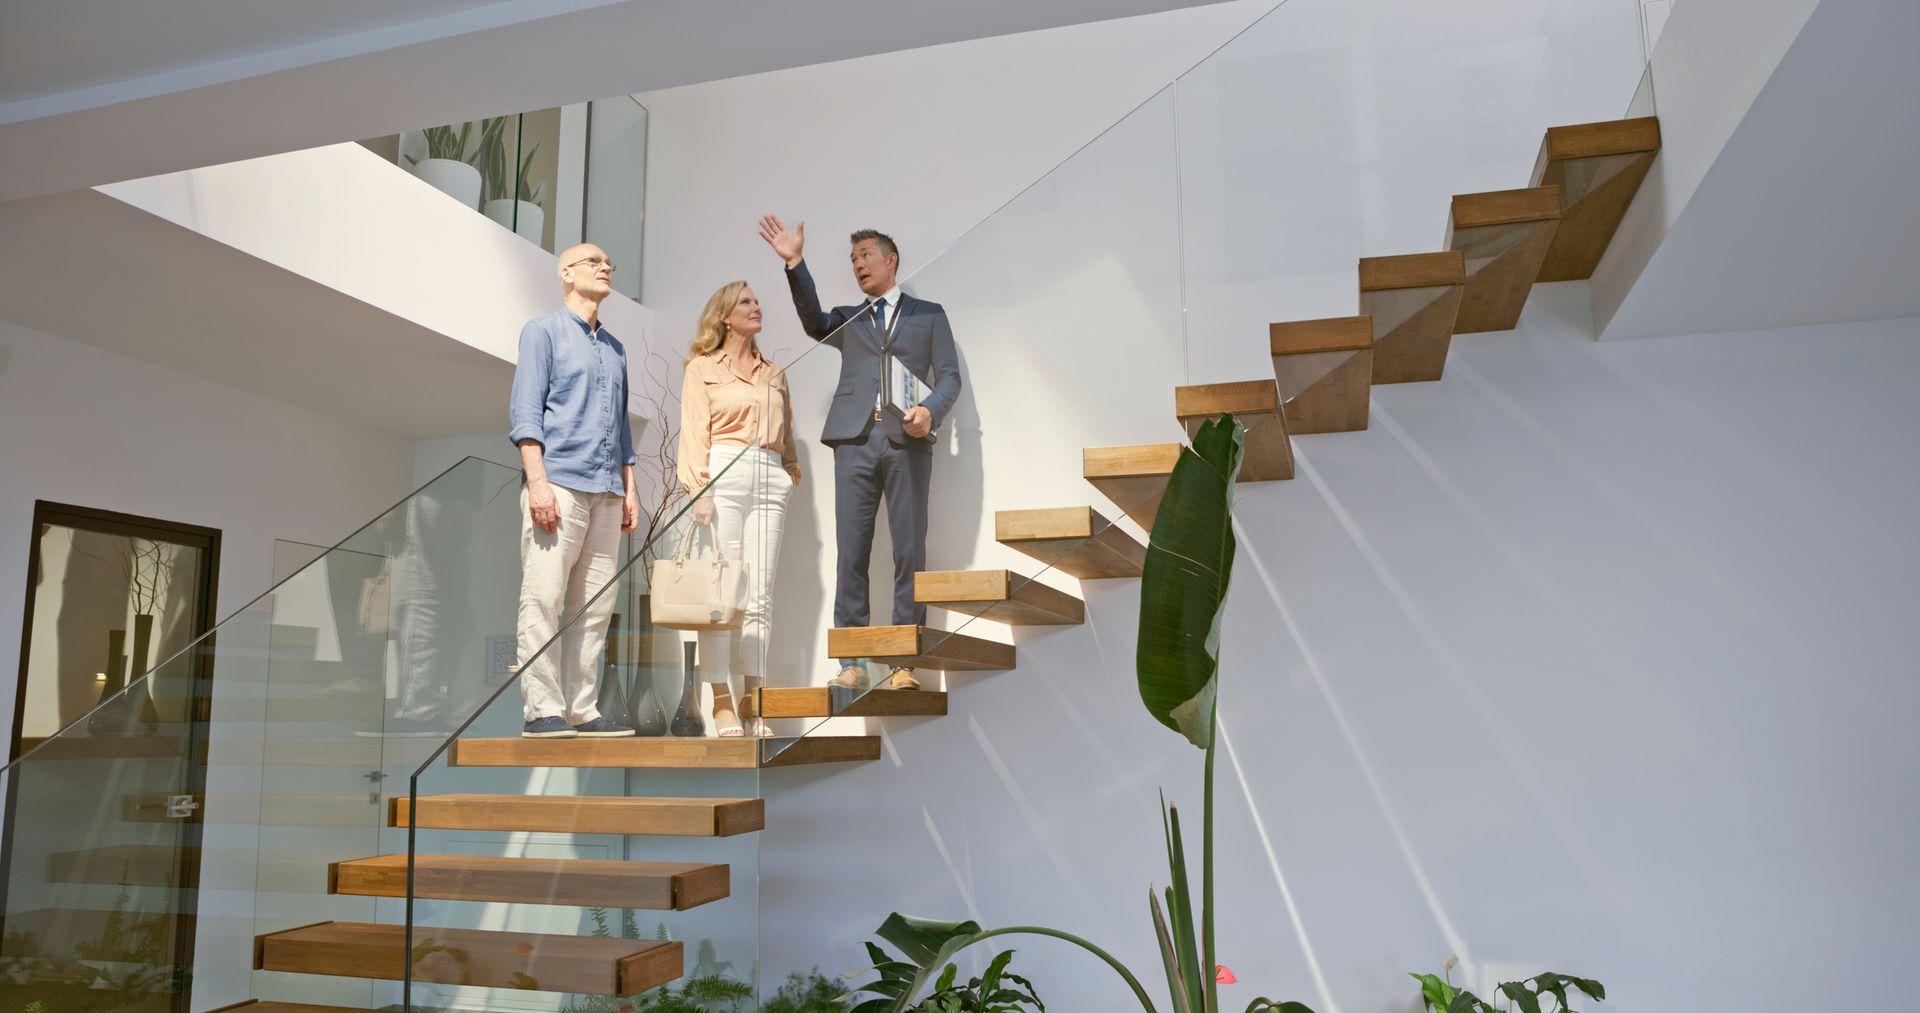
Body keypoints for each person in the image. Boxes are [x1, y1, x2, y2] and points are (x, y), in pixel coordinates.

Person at [757, 216, 961, 691]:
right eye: (852, 259)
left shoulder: (929, 313)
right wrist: (795, 263)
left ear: (892, 260)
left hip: (907, 440)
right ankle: (850, 661)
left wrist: (930, 411)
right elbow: (812, 321)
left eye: (866, 255)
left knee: (910, 550)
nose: (858, 264)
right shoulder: (850, 319)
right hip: (854, 441)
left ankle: (904, 664)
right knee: (852, 550)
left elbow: (949, 375)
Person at [506, 243, 640, 739]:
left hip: (607, 491)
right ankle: (541, 709)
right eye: (594, 262)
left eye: (610, 262)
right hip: (557, 484)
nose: (606, 267)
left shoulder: (616, 348)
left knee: (596, 605)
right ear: (566, 272)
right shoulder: (541, 332)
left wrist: (630, 488)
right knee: (543, 598)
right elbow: (525, 414)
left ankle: (582, 709)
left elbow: (623, 430)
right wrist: (537, 483)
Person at [677, 282, 801, 736]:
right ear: (725, 315)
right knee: (722, 595)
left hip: (769, 475)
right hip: (723, 473)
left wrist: (789, 472)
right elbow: (692, 433)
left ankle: (755, 698)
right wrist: (699, 489)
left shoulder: (775, 372)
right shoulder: (702, 368)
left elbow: (788, 431)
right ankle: (721, 700)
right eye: (746, 301)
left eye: (757, 301)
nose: (756, 306)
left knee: (760, 596)